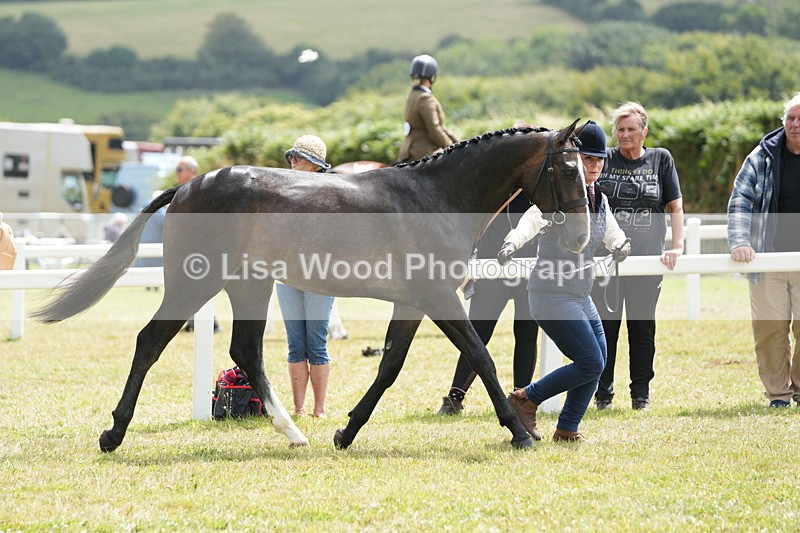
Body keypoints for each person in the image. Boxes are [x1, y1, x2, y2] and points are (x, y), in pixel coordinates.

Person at [499, 120, 630, 441]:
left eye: (599, 160)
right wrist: (512, 243)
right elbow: (531, 220)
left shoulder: (598, 198)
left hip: (580, 293)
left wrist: (621, 245)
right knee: (590, 361)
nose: (595, 165)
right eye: (588, 159)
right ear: (574, 160)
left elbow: (610, 230)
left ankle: (567, 428)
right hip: (550, 293)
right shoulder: (558, 197)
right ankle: (525, 398)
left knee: (596, 362)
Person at [592, 102, 684, 411]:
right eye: (620, 129)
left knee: (642, 329)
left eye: (632, 128)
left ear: (644, 131)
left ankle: (640, 394)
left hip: (647, 260)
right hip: (605, 260)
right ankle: (602, 394)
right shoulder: (603, 159)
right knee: (606, 328)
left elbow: (674, 206)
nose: (625, 134)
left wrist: (677, 246)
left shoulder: (661, 159)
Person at [436, 192, 540, 416]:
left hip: (530, 266)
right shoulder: (497, 176)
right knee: (476, 333)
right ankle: (454, 398)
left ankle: (519, 398)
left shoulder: (538, 180)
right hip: (490, 265)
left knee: (527, 333)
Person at [728, 92, 800, 408]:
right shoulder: (763, 156)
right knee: (770, 332)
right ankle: (779, 395)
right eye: (791, 119)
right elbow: (740, 200)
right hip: (769, 258)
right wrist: (740, 241)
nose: (795, 125)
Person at [277, 135, 336, 417]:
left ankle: (319, 408)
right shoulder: (282, 193)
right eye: (292, 157)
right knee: (295, 344)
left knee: (316, 342)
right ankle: (299, 409)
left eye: (299, 157)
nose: (293, 161)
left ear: (314, 164)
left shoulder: (330, 193)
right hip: (287, 274)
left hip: (320, 275)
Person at [397, 54, 459, 163]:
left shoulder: (412, 96)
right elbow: (434, 130)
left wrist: (459, 143)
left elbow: (440, 128)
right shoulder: (425, 98)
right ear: (432, 76)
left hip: (407, 151)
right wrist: (451, 149)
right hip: (424, 154)